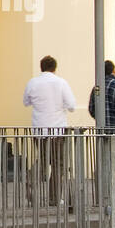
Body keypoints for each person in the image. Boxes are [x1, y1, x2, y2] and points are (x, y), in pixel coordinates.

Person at [23, 55, 76, 202]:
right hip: (57, 130)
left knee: (44, 159)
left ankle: (31, 178)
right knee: (58, 164)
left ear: (41, 67)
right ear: (54, 68)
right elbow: (71, 105)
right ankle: (54, 197)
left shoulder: (33, 83)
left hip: (39, 129)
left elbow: (26, 102)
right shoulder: (61, 83)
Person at [87, 61, 115, 130]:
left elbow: (92, 109)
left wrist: (100, 120)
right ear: (113, 70)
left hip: (101, 131)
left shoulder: (97, 87)